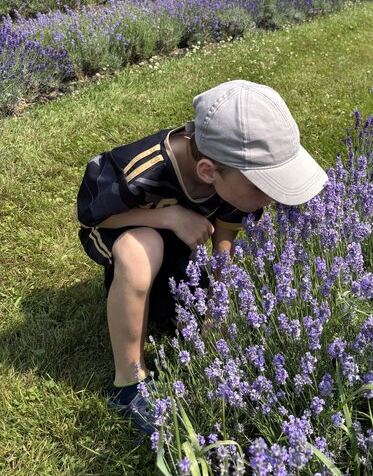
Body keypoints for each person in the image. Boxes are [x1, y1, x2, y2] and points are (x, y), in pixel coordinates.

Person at [77, 79, 328, 434]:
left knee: (180, 302)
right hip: (123, 223)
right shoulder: (138, 171)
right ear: (208, 171)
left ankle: (162, 293)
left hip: (181, 234)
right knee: (142, 249)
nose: (271, 198)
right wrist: (167, 216)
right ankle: (128, 384)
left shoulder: (233, 178)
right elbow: (92, 214)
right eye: (263, 186)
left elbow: (226, 228)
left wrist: (218, 301)